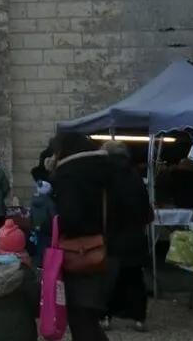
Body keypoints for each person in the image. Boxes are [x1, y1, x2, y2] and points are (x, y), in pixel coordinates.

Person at [45, 131, 143, 341]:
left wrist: (48, 225)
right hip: (116, 248)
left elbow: (71, 218)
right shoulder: (119, 171)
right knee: (88, 318)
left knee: (81, 319)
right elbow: (140, 210)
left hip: (85, 252)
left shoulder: (70, 174)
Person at [101, 140, 153, 332]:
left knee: (108, 278)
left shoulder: (103, 176)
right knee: (133, 278)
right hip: (134, 234)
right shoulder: (135, 175)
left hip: (111, 234)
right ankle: (139, 317)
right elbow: (144, 205)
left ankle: (105, 316)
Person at [29, 166, 56, 268]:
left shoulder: (33, 201)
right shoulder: (49, 202)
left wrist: (32, 226)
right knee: (47, 244)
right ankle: (47, 263)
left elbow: (30, 214)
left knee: (39, 244)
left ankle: (39, 262)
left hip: (36, 226)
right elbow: (53, 215)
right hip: (47, 228)